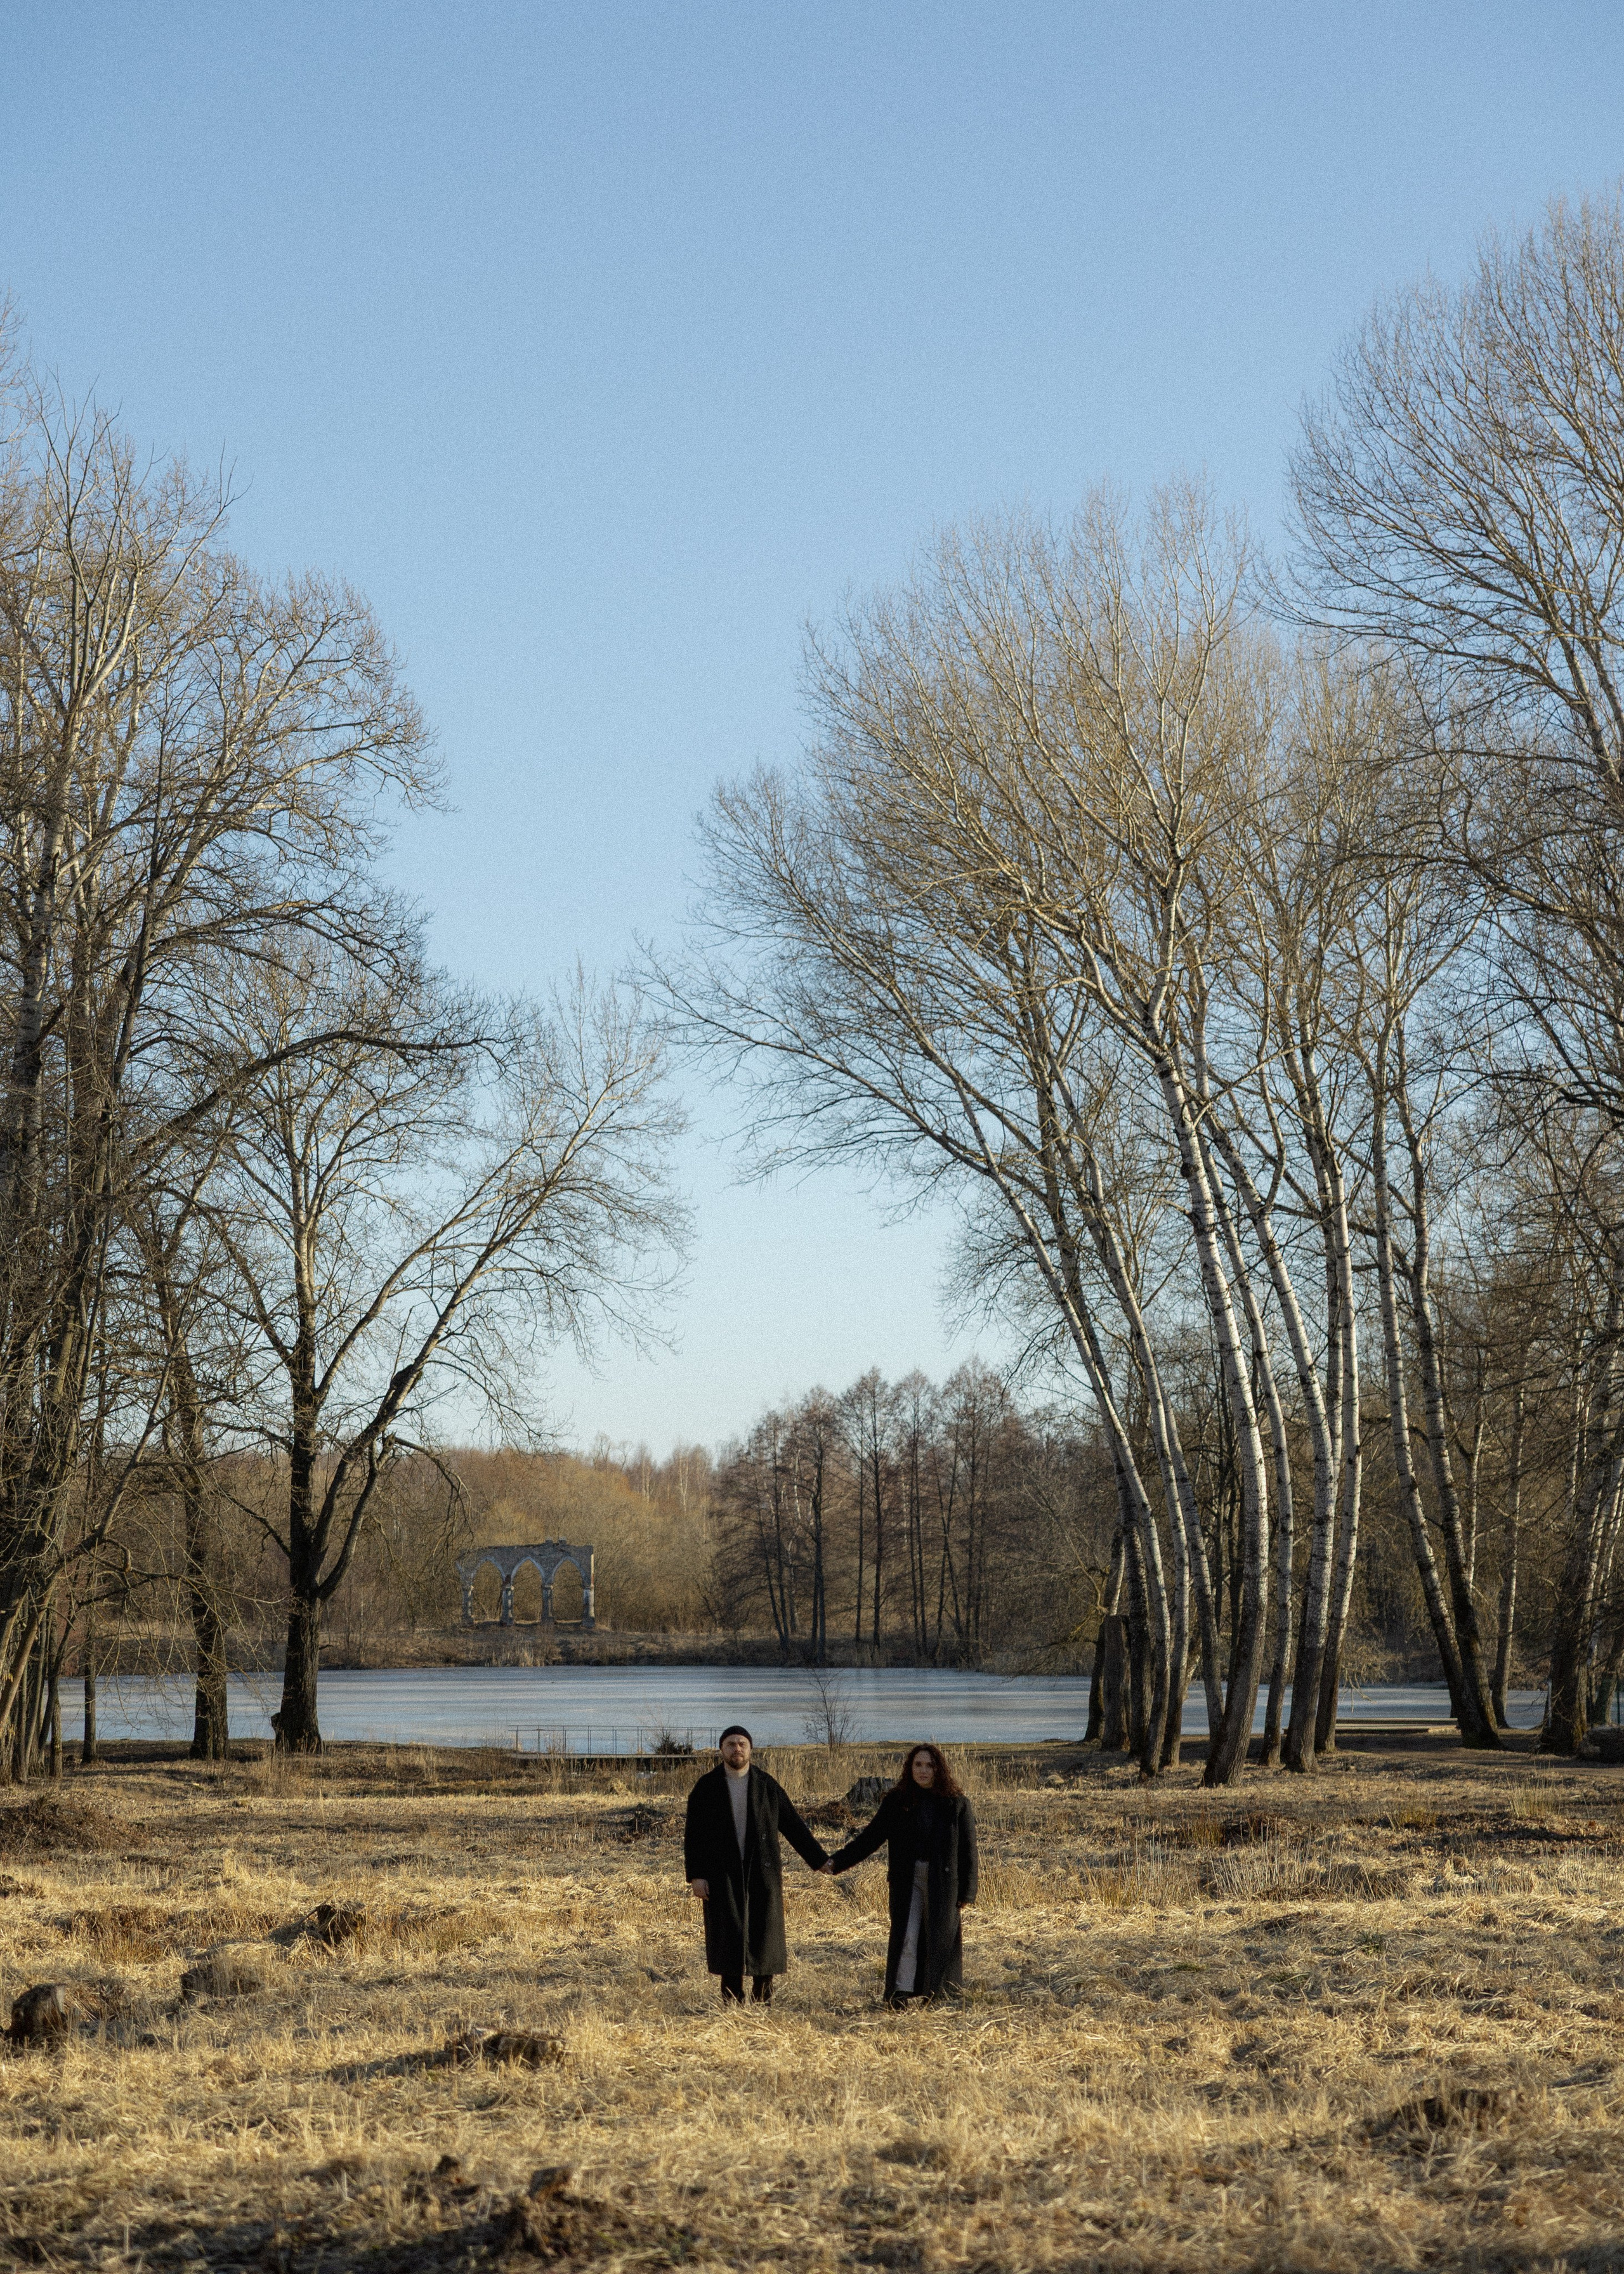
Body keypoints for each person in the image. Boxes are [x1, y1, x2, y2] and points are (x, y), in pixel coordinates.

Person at [683, 1723, 830, 2005]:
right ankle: (731, 2000)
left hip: (762, 1871)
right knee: (729, 1934)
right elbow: (694, 1836)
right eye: (731, 1744)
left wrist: (820, 1860)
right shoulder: (706, 1787)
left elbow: (793, 1825)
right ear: (721, 1750)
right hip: (721, 1873)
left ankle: (763, 1999)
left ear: (750, 1749)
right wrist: (696, 1876)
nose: (736, 1749)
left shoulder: (767, 1785)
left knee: (765, 1934)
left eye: (742, 1744)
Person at [825, 1742, 978, 2008]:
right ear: (910, 1768)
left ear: (938, 1769)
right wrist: (835, 1862)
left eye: (929, 1765)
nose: (923, 1770)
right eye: (918, 1765)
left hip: (943, 1883)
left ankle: (940, 1995)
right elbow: (869, 1839)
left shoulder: (957, 1804)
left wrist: (968, 1892)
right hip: (908, 1880)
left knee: (940, 1938)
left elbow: (969, 1851)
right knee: (908, 1934)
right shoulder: (897, 1802)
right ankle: (900, 1993)